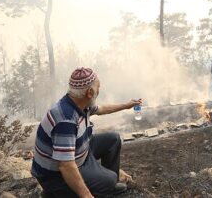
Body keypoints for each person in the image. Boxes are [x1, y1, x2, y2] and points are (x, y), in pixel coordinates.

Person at [31, 67, 141, 198]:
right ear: (90, 92)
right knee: (111, 179)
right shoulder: (66, 119)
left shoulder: (79, 103)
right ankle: (57, 192)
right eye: (98, 87)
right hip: (55, 176)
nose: (99, 90)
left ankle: (108, 184)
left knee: (113, 139)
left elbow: (103, 109)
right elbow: (66, 165)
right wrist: (87, 195)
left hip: (80, 153)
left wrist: (126, 105)